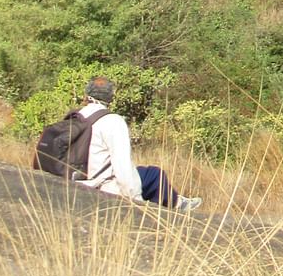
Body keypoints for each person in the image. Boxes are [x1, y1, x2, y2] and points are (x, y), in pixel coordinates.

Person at [76, 76, 201, 212]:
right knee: (155, 175)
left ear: (86, 95)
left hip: (78, 182)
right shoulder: (113, 121)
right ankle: (169, 210)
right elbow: (122, 166)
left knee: (148, 174)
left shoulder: (76, 117)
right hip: (103, 186)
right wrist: (136, 200)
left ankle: (176, 202)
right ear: (110, 97)